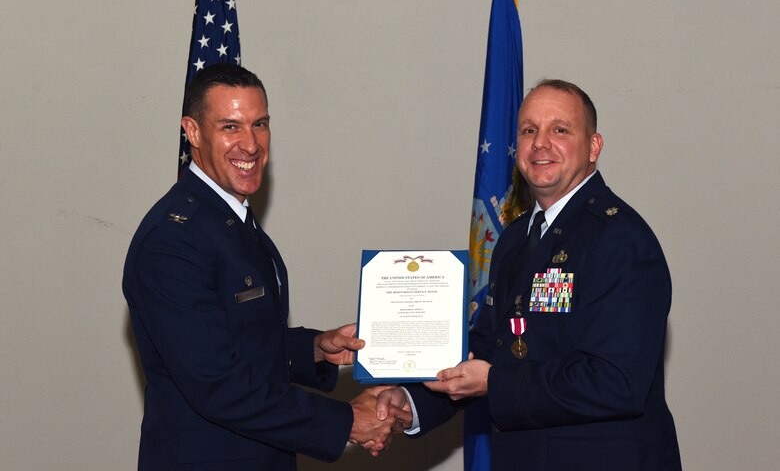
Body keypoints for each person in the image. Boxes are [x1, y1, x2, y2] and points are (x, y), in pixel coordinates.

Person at [376, 79, 682, 469]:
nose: (540, 143)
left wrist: (494, 383)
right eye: (528, 130)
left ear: (593, 147)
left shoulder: (621, 240)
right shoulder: (516, 238)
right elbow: (489, 347)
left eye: (560, 130)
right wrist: (413, 402)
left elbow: (616, 383)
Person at [123, 63, 406, 470]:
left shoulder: (228, 218)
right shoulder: (173, 242)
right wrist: (347, 421)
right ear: (193, 131)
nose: (250, 144)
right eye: (230, 127)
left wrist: (314, 349)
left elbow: (238, 338)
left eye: (260, 124)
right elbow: (218, 383)